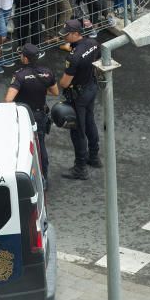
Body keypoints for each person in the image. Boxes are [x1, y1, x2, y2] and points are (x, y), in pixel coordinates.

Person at [5, 43, 58, 183]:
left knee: (22, 145)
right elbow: (55, 92)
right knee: (40, 146)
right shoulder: (47, 72)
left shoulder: (19, 75)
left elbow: (8, 99)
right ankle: (44, 178)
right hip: (40, 115)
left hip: (24, 116)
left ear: (26, 59)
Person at [58, 19, 100, 180]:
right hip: (91, 87)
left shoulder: (73, 57)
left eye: (66, 35)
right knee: (90, 121)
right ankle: (94, 157)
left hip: (78, 95)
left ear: (76, 34)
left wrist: (58, 83)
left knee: (78, 131)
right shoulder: (93, 43)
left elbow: (65, 82)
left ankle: (80, 167)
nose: (64, 38)